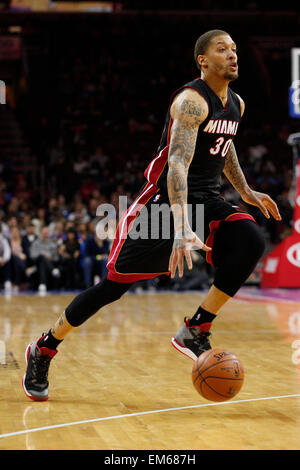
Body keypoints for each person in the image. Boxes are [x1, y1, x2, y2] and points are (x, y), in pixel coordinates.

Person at [22, 30, 281, 401]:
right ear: (202, 61)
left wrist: (245, 192)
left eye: (235, 49)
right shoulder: (191, 101)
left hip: (206, 199)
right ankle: (44, 348)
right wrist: (178, 225)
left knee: (252, 238)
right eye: (222, 49)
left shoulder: (236, 102)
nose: (232, 54)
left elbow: (226, 148)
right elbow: (176, 163)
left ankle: (196, 327)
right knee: (112, 288)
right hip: (161, 203)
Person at [29, 225, 60, 294]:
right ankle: (53, 270)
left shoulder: (53, 244)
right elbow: (32, 256)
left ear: (49, 233)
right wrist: (43, 255)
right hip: (37, 263)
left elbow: (56, 258)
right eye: (44, 233)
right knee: (41, 258)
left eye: (47, 232)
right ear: (40, 233)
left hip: (50, 262)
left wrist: (49, 257)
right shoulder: (36, 243)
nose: (45, 234)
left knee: (42, 262)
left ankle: (42, 284)